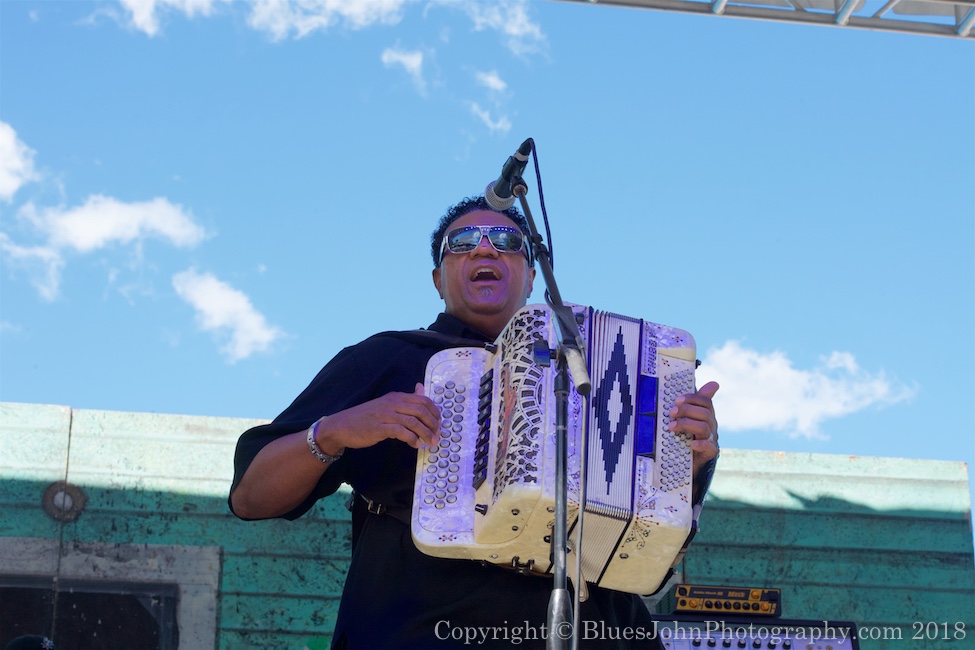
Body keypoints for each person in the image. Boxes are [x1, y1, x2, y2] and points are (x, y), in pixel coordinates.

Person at [229, 195, 720, 649]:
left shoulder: (603, 365)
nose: (484, 249)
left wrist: (690, 461)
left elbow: (659, 536)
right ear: (439, 278)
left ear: (531, 276)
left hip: (600, 628)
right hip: (428, 627)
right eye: (461, 244)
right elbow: (252, 496)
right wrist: (333, 431)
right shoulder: (387, 357)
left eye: (507, 242)